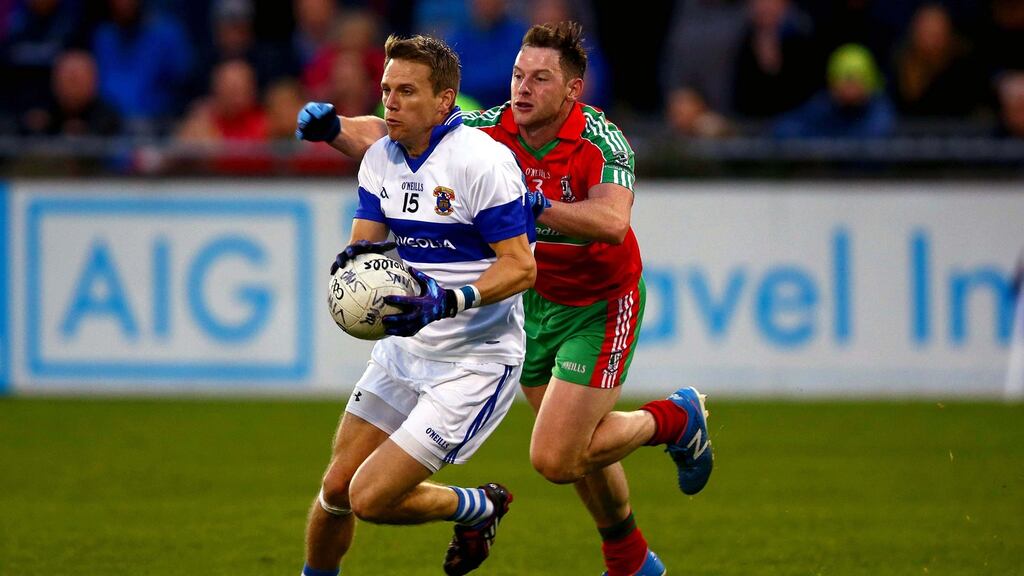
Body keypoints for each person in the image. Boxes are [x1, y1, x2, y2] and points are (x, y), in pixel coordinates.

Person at [297, 21, 715, 576]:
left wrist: (533, 205)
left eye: (540, 79)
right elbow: (396, 130)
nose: (523, 88)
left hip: (597, 302)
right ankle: (630, 558)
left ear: (572, 89)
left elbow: (613, 222)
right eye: (519, 75)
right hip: (531, 299)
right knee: (576, 447)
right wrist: (335, 129)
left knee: (557, 457)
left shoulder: (601, 141)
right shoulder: (490, 130)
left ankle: (673, 419)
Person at [297, 34, 536, 576]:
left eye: (406, 91)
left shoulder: (481, 163)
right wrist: (357, 268)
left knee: (370, 498)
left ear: (444, 99)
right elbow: (366, 245)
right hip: (405, 350)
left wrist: (449, 300)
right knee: (336, 489)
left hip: (474, 362)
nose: (391, 103)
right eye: (387, 90)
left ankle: (475, 505)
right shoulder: (381, 159)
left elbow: (522, 267)